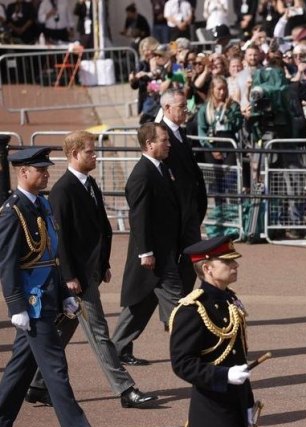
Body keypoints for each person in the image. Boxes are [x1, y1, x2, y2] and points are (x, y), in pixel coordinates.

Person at [24, 132, 158, 410]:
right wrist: (70, 276)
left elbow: (99, 229)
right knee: (99, 333)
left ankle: (36, 384)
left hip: (90, 271)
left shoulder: (90, 184)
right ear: (74, 154)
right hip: (78, 278)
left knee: (63, 329)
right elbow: (59, 239)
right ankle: (125, 389)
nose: (95, 156)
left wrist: (104, 264)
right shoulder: (63, 191)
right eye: (90, 152)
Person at [0, 147, 116, 427]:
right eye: (40, 169)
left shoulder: (43, 205)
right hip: (32, 302)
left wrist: (64, 293)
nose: (46, 173)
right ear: (23, 172)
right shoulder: (12, 212)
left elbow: (52, 255)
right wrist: (16, 306)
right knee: (55, 367)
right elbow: (8, 263)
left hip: (49, 293)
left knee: (21, 366)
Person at [169, 236, 261, 427]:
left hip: (233, 400)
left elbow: (238, 355)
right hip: (211, 405)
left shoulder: (229, 300)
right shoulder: (192, 309)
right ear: (208, 268)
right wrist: (223, 375)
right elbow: (182, 363)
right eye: (228, 262)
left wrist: (248, 401)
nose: (235, 266)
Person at [111, 122, 183, 366]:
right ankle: (193, 350)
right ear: (149, 144)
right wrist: (146, 253)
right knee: (179, 305)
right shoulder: (142, 174)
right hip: (155, 255)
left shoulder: (161, 169)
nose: (169, 143)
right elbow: (139, 217)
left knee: (140, 304)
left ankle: (117, 349)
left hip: (165, 250)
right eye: (164, 140)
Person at [160, 89, 208, 294]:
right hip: (174, 212)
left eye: (186, 105)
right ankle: (175, 309)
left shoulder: (180, 132)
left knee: (192, 259)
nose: (186, 110)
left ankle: (183, 305)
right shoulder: (160, 134)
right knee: (173, 263)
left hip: (190, 210)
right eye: (181, 106)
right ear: (167, 108)